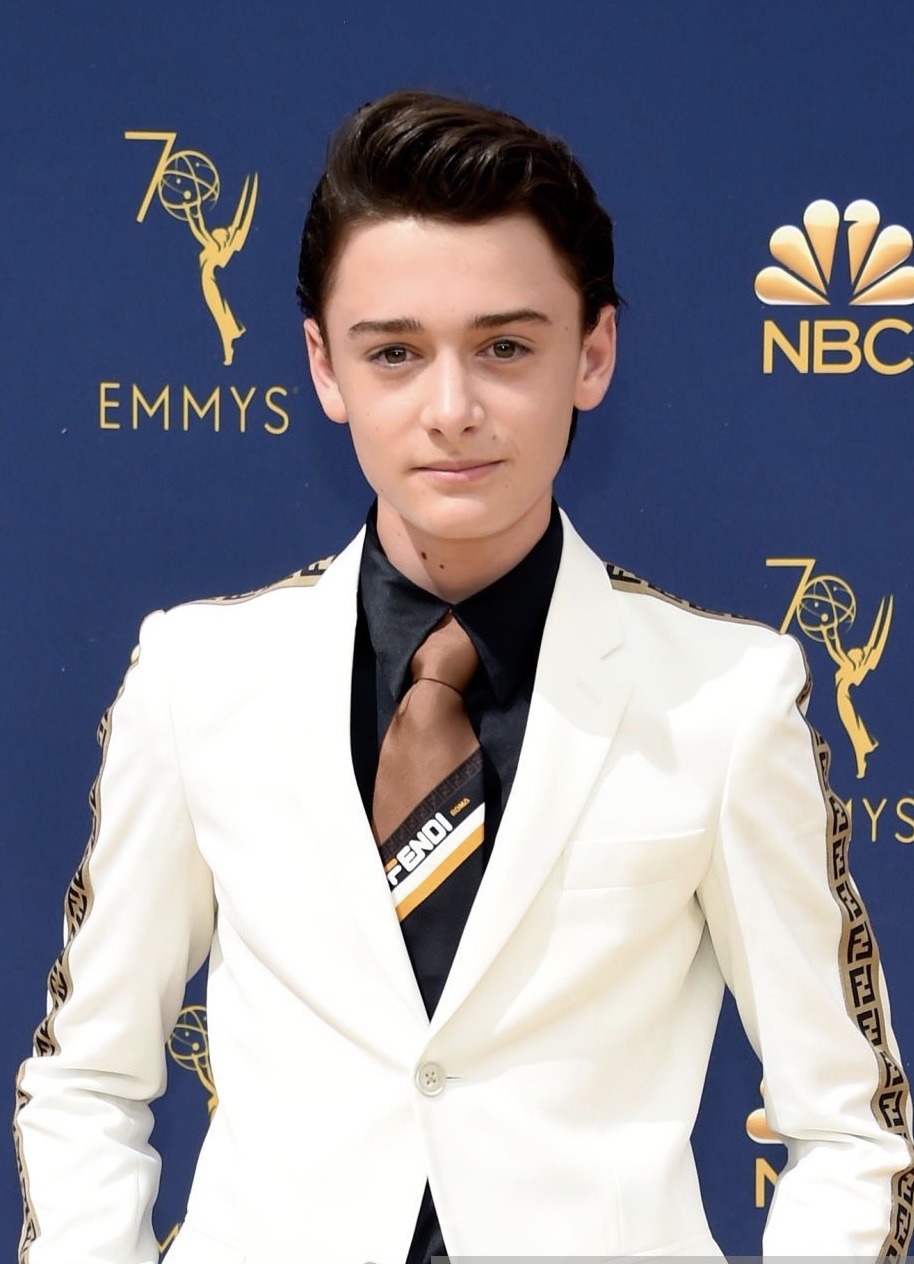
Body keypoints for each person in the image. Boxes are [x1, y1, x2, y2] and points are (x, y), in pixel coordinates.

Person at [14, 90, 914, 1264]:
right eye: (393, 353)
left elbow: (848, 1126)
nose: (451, 410)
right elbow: (86, 1080)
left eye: (504, 347)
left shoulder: (725, 698)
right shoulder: (196, 677)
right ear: (323, 367)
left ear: (592, 353)